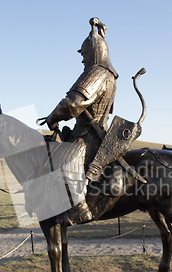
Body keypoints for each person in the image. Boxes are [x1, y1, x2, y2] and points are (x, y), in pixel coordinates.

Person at [44, 17, 118, 225]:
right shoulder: (110, 75)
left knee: (63, 159)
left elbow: (72, 104)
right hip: (94, 130)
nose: (83, 60)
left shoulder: (96, 73)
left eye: (84, 54)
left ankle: (79, 209)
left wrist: (53, 117)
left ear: (94, 52)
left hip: (88, 134)